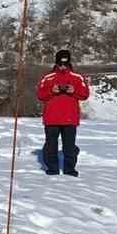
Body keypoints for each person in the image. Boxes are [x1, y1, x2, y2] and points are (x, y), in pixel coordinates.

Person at [37, 48, 89, 176]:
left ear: (69, 63)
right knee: (51, 146)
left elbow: (85, 94)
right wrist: (51, 91)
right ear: (56, 63)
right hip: (51, 118)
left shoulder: (77, 77)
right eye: (60, 64)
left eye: (65, 64)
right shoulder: (47, 78)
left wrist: (74, 91)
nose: (62, 67)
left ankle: (69, 169)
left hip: (70, 118)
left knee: (69, 147)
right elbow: (40, 95)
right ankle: (52, 169)